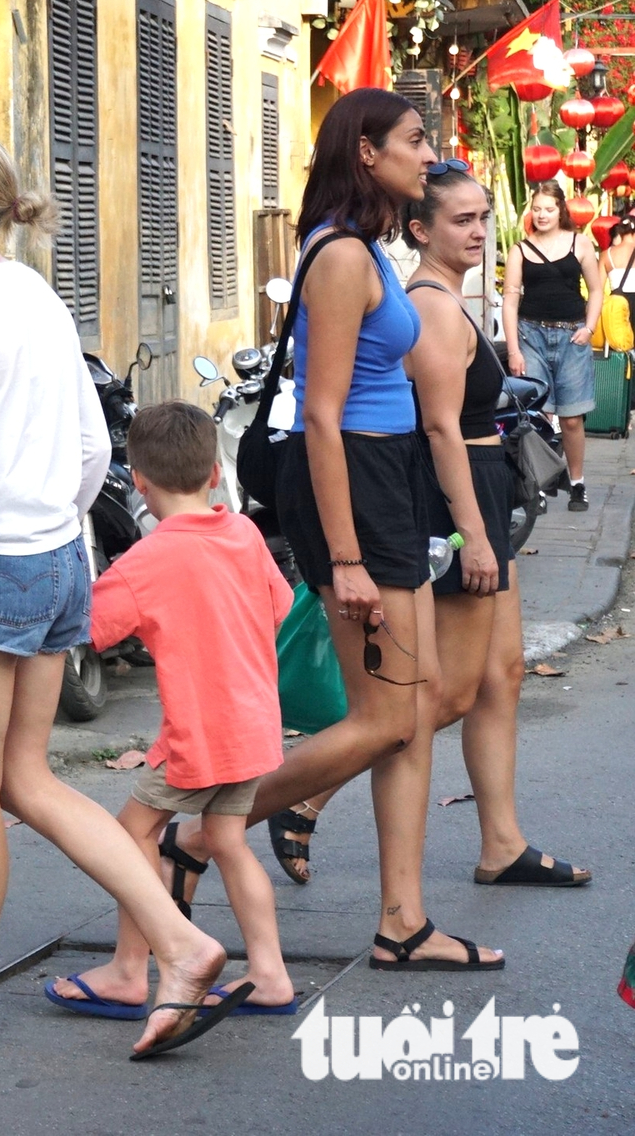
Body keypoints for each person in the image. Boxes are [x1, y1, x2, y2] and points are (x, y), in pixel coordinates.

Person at [0, 124, 246, 1058]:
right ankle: (181, 943)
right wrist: (57, 528)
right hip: (59, 557)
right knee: (24, 781)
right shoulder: (34, 291)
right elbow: (95, 445)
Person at [165, 90, 504, 971]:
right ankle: (200, 832)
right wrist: (346, 557)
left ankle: (404, 922)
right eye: (415, 140)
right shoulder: (344, 255)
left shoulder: (366, 245)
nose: (427, 154)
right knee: (386, 716)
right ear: (367, 152)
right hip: (352, 479)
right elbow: (321, 415)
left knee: (409, 715)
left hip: (385, 474)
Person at [268, 166, 589, 892]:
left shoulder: (447, 297)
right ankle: (301, 797)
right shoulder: (430, 304)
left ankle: (501, 842)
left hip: (482, 489)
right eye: (460, 220)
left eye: (483, 218)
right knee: (438, 693)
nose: (478, 232)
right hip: (455, 497)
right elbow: (439, 428)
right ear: (420, 229)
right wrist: (474, 533)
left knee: (502, 674)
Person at [46, 402, 296, 1018]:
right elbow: (280, 607)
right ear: (215, 472)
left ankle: (130, 970)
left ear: (138, 481)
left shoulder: (144, 563)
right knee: (228, 841)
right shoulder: (243, 534)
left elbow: (86, 630)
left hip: (199, 736)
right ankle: (270, 975)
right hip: (254, 724)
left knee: (132, 836)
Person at [503, 182, 603, 510]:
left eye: (549, 209)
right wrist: (514, 350)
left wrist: (589, 328)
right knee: (539, 415)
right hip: (530, 336)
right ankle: (540, 485)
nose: (542, 215)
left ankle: (577, 483)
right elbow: (510, 301)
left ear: (561, 210)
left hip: (572, 336)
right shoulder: (520, 250)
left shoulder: (580, 243)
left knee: (572, 418)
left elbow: (596, 290)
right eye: (537, 209)